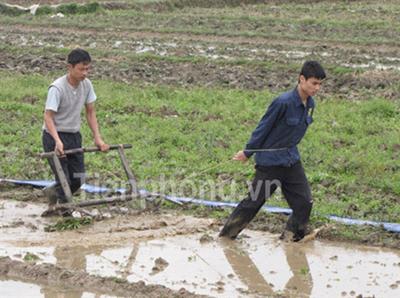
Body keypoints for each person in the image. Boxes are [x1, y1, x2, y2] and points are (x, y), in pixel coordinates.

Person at [219, 61, 326, 242]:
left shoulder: (310, 104)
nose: (317, 88)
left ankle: (291, 239)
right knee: (253, 202)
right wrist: (248, 152)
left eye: (320, 84)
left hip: (291, 160)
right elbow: (263, 128)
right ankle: (226, 236)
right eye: (314, 83)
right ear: (302, 79)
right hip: (270, 163)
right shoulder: (282, 103)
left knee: (304, 202)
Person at [42, 48, 109, 210]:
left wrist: (98, 138)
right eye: (81, 69)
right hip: (53, 136)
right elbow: (48, 117)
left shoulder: (87, 85)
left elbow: (90, 112)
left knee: (78, 178)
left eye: (87, 69)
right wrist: (57, 141)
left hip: (74, 135)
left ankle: (53, 192)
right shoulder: (57, 88)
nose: (85, 73)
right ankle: (65, 214)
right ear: (69, 67)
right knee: (64, 178)